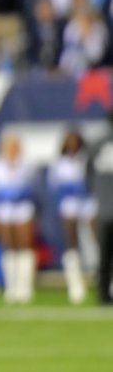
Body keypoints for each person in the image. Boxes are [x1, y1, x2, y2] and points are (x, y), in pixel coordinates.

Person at [0, 133, 37, 304]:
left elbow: (31, 188)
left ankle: (25, 287)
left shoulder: (27, 166)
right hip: (5, 210)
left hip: (22, 209)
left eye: (15, 147)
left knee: (24, 246)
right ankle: (11, 286)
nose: (12, 151)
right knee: (8, 247)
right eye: (9, 147)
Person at [47, 128, 94, 304]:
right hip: (69, 204)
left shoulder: (87, 159)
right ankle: (75, 284)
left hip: (89, 203)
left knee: (98, 238)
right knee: (71, 242)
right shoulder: (59, 164)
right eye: (69, 140)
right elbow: (54, 187)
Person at [86, 112, 113, 306]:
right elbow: (88, 175)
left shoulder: (96, 145)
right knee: (104, 254)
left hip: (104, 209)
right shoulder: (97, 145)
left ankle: (103, 293)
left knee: (104, 254)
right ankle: (104, 293)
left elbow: (87, 176)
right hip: (105, 208)